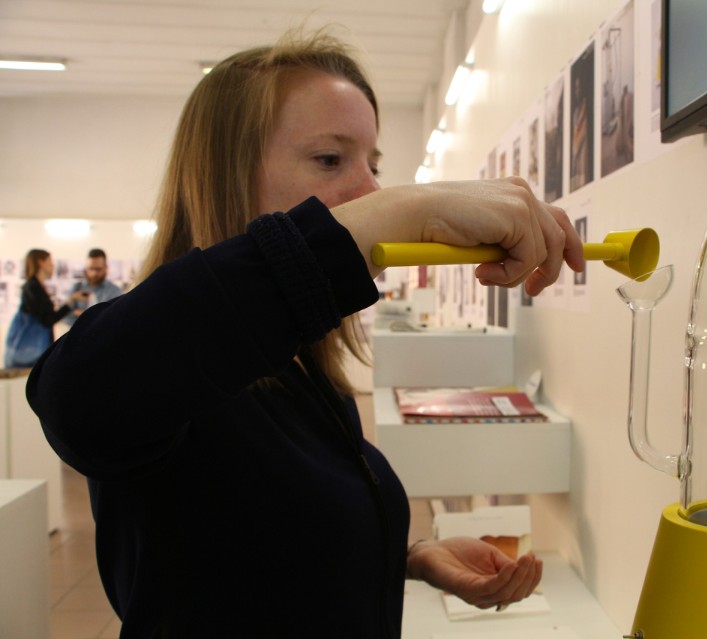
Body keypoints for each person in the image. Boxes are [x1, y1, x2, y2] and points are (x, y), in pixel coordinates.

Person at [27, 29, 585, 638]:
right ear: (227, 175)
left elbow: (263, 557)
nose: (372, 191)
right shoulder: (171, 362)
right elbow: (76, 397)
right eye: (329, 159)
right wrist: (405, 211)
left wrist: (408, 556)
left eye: (374, 165)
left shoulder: (304, 365)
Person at [4, 249, 87, 368]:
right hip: (31, 349)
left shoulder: (36, 286)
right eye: (50, 262)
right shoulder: (33, 287)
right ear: (41, 263)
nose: (53, 266)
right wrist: (71, 301)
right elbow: (48, 319)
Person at [61, 247, 125, 327]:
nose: (94, 273)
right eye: (91, 268)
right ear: (86, 268)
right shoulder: (76, 288)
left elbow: (115, 318)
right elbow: (66, 317)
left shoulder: (115, 291)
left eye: (98, 269)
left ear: (106, 268)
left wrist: (83, 314)